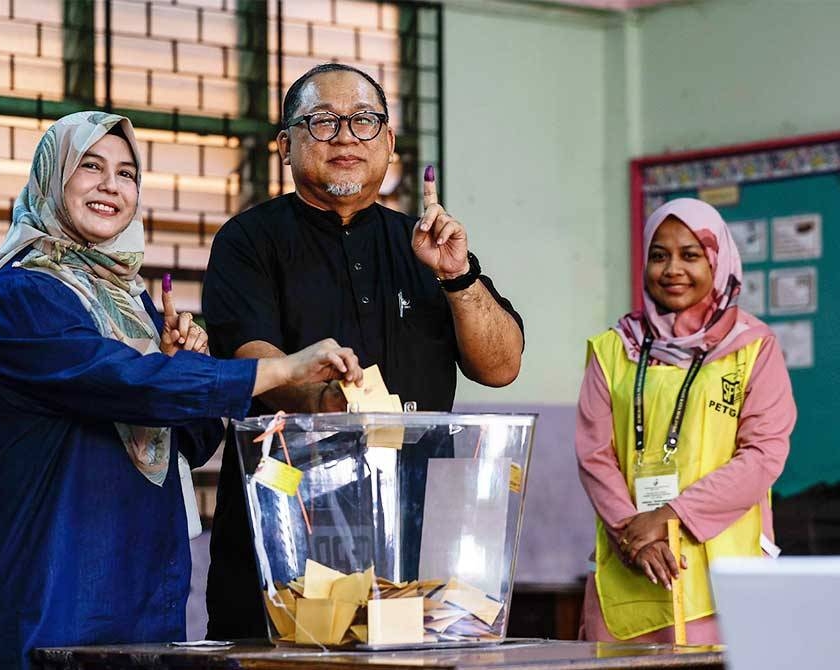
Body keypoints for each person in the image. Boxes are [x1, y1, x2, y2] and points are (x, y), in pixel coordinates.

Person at [0, 111, 363, 669]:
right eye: (90, 167)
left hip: (145, 587)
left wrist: (183, 361)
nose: (111, 185)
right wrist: (280, 371)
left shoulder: (133, 303)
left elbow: (186, 442)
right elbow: (123, 382)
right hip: (55, 588)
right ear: (51, 179)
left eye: (127, 174)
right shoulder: (22, 296)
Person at [202, 63, 525, 640]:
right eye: (323, 122)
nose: (346, 136)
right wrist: (329, 400)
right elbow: (253, 361)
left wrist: (457, 276)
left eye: (365, 121)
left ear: (389, 143)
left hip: (412, 550)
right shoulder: (248, 241)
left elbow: (501, 367)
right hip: (285, 542)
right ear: (285, 145)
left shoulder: (425, 243)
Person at [575, 198, 796, 644]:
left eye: (690, 255)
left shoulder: (754, 348)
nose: (672, 269)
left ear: (718, 262)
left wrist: (670, 515)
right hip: (632, 571)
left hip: (724, 584)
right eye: (659, 255)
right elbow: (595, 456)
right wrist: (634, 536)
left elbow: (763, 455)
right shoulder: (613, 349)